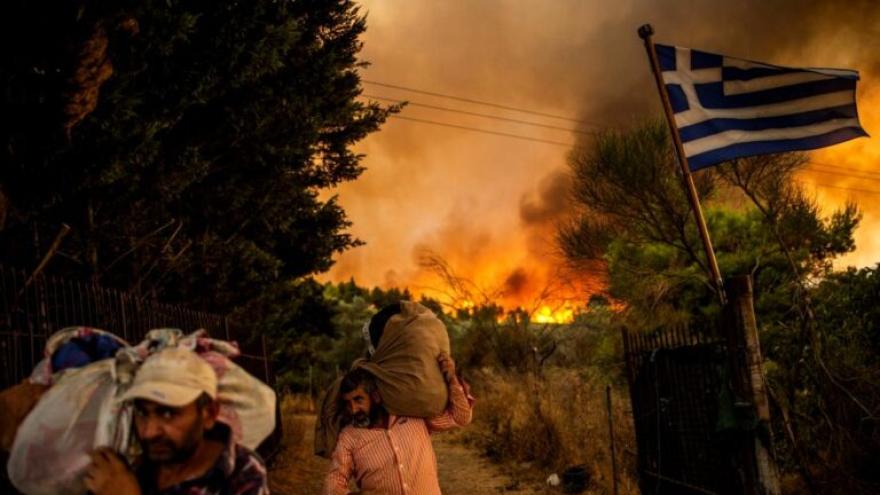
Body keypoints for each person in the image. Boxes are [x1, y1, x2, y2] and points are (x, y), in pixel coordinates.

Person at [83, 346, 269, 495]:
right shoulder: (129, 462)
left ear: (209, 414)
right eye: (142, 413)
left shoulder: (242, 474)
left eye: (167, 414)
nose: (149, 432)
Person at [323, 352, 474, 495]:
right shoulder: (349, 436)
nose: (354, 410)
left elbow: (461, 417)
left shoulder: (414, 415)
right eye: (348, 404)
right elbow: (334, 481)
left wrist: (452, 378)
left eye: (358, 400)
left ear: (375, 396)